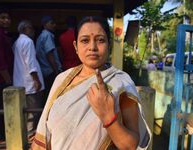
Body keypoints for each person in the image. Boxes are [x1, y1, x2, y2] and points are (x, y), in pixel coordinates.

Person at [32, 16, 151, 150]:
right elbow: (45, 131)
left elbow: (130, 146)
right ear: (76, 47)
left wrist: (108, 117)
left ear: (109, 45)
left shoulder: (121, 83)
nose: (92, 47)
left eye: (100, 40)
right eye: (85, 40)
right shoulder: (61, 80)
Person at [13, 20, 45, 135]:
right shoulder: (28, 42)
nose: (33, 31)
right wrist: (36, 80)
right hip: (30, 82)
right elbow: (30, 62)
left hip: (20, 83)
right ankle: (30, 135)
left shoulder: (17, 42)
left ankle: (27, 134)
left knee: (25, 113)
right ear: (25, 29)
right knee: (34, 112)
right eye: (31, 28)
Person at [0, 8, 13, 142]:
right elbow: (0, 63)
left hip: (0, 79)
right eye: (2, 17)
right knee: (0, 112)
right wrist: (9, 82)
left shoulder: (2, 34)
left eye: (7, 17)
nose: (6, 20)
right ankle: (1, 140)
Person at [36, 16, 62, 105]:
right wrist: (56, 71)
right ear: (44, 25)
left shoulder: (41, 36)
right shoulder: (47, 35)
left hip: (44, 71)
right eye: (52, 23)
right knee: (52, 97)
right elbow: (49, 54)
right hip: (50, 71)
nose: (54, 25)